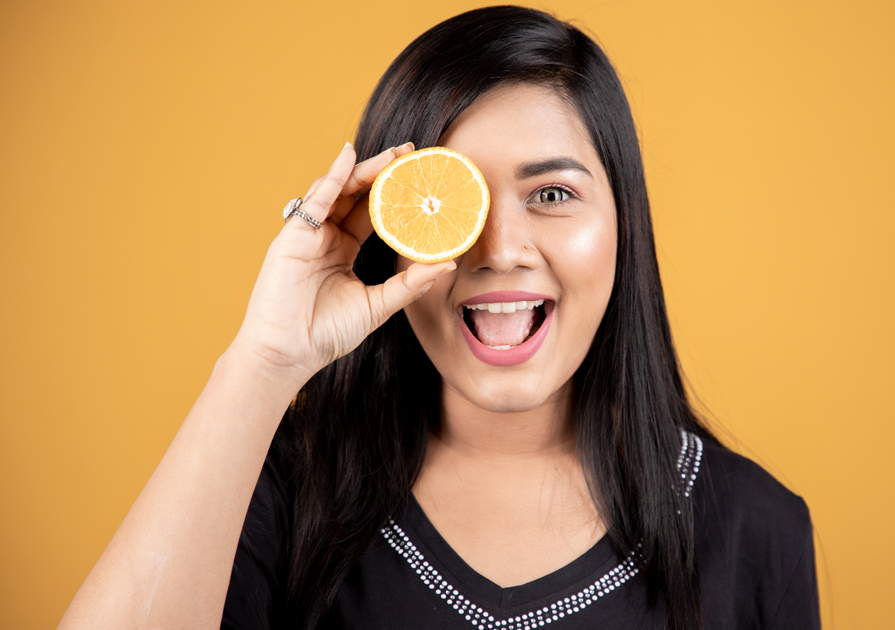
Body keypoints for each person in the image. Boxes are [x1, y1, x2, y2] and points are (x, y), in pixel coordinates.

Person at [58, 6, 819, 630]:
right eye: (455, 203)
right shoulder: (286, 492)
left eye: (552, 194)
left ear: (626, 224)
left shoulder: (756, 530)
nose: (499, 250)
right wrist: (263, 361)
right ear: (392, 231)